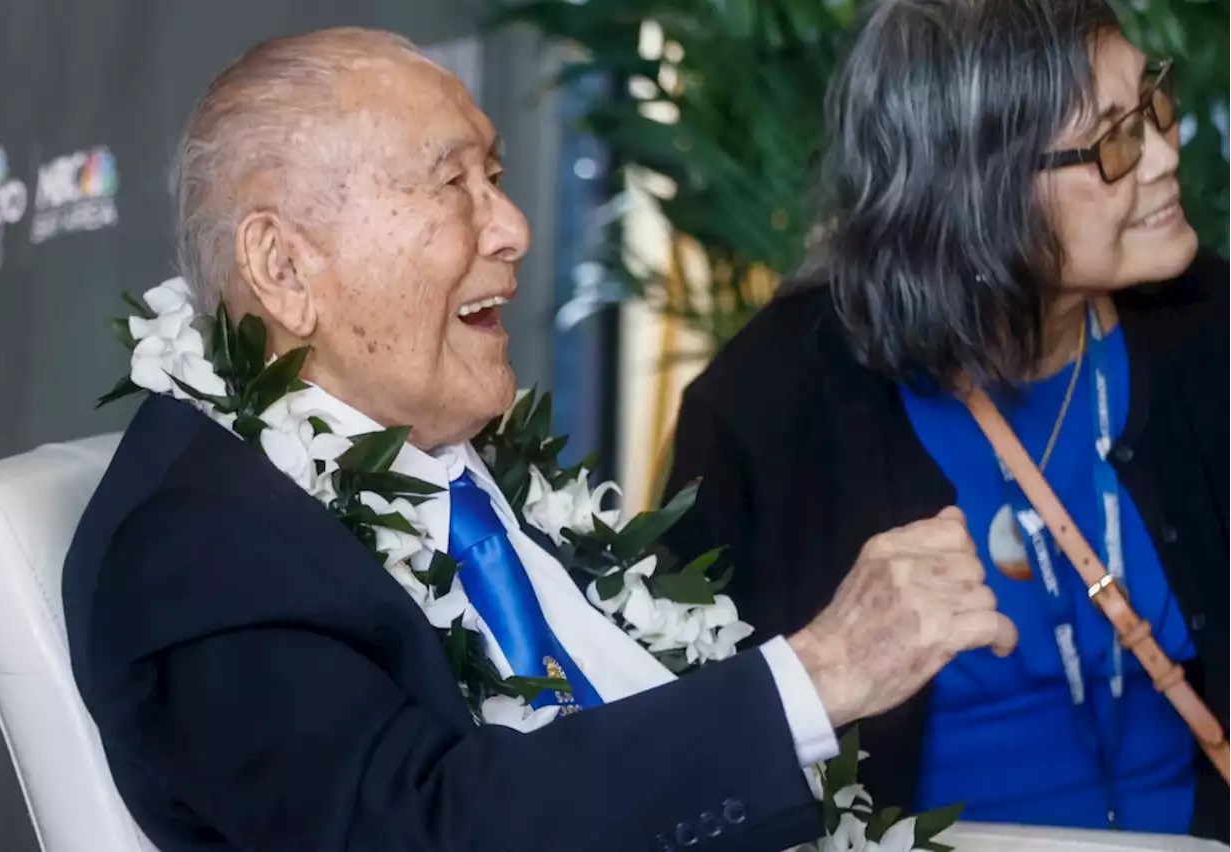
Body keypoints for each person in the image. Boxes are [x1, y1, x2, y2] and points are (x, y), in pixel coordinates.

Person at [61, 28, 1015, 852]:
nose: (512, 227)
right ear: (283, 266)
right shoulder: (197, 553)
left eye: (497, 177)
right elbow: (422, 834)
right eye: (452, 185)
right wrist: (820, 678)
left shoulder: (462, 463)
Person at [666, 0, 1231, 842]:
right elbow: (693, 747)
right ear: (982, 189)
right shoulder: (768, 409)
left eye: (1152, 103)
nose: (1161, 154)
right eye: (1114, 140)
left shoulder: (1209, 331)